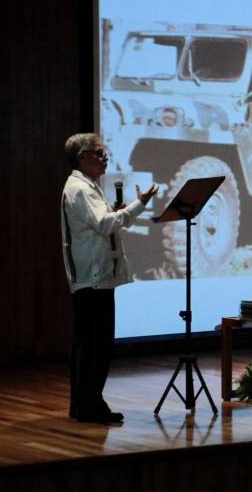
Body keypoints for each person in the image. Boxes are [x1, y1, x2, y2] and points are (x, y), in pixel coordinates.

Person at [61, 134, 157, 423]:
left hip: (94, 276)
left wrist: (117, 213)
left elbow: (100, 221)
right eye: (99, 153)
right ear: (82, 157)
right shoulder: (80, 188)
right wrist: (139, 205)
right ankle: (89, 405)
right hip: (93, 277)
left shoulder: (85, 186)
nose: (105, 158)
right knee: (95, 345)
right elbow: (105, 224)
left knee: (89, 343)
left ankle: (84, 404)